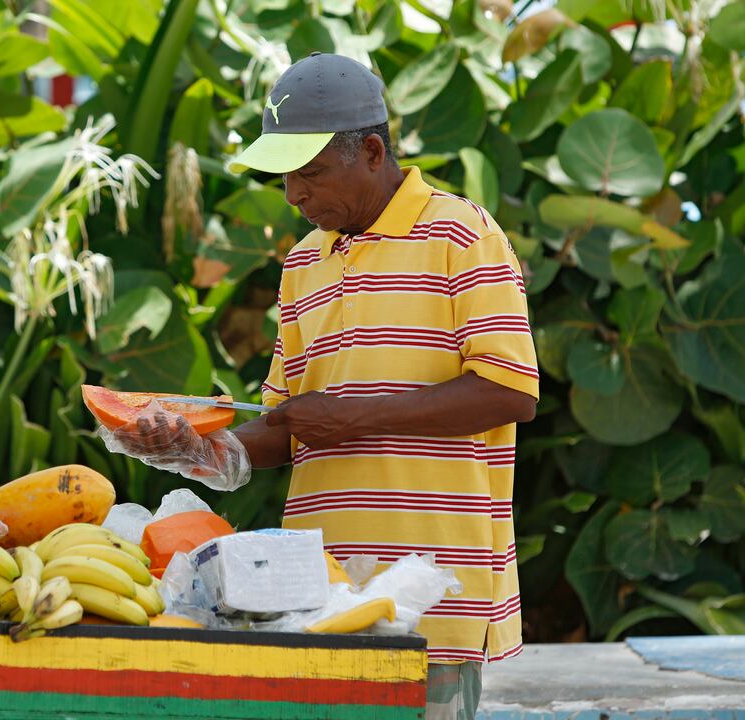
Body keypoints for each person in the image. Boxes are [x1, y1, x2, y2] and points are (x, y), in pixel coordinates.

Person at [107, 52, 538, 720]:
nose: (294, 195)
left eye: (310, 172)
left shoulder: (464, 234)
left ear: (372, 151)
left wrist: (355, 420)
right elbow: (284, 422)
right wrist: (197, 448)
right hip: (314, 594)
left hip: (438, 592)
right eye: (285, 176)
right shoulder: (303, 263)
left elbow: (510, 391)